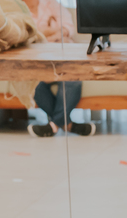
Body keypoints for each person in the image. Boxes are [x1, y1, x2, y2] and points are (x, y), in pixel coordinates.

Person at [24, 0, 94, 138]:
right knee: (35, 86)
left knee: (73, 82)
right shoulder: (19, 10)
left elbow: (68, 30)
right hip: (39, 61)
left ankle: (53, 126)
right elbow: (27, 36)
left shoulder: (52, 5)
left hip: (63, 56)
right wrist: (54, 32)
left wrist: (43, 34)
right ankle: (68, 125)